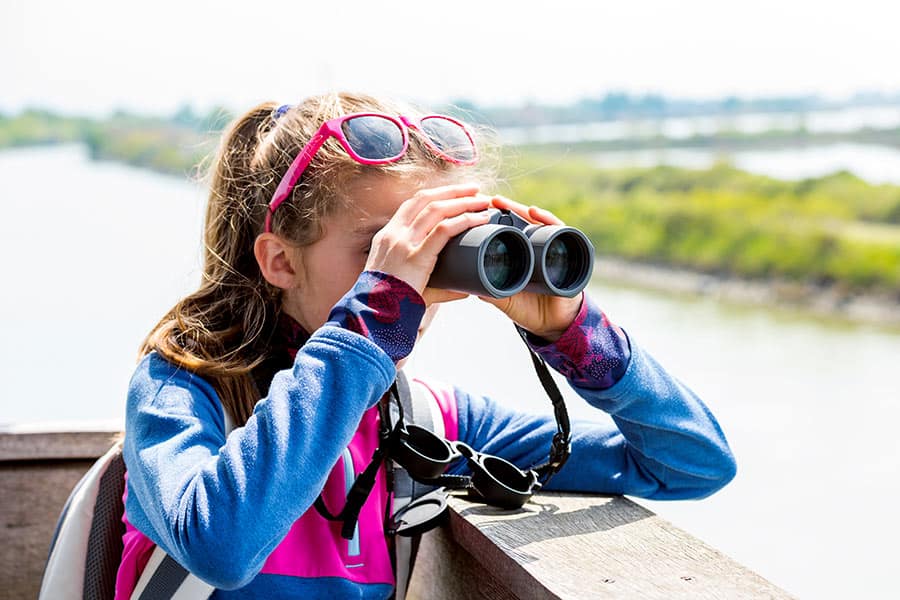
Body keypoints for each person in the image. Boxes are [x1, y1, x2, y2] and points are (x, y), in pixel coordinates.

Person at [115, 92, 736, 599]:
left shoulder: (419, 422)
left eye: (432, 248)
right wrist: (370, 323)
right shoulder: (182, 387)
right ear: (280, 260)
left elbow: (690, 464)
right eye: (381, 247)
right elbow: (223, 546)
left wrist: (576, 336)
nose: (411, 273)